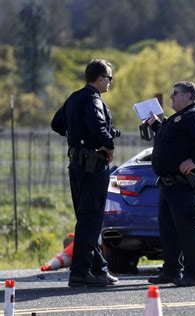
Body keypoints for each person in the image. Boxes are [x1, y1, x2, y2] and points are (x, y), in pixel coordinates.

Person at [51, 59, 120, 287]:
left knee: (86, 220)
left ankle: (98, 268)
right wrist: (107, 145)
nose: (110, 82)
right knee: (91, 220)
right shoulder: (93, 99)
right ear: (99, 79)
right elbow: (98, 127)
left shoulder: (74, 97)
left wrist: (78, 139)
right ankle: (80, 273)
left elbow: (56, 124)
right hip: (93, 167)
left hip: (77, 165)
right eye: (109, 78)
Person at [146, 81, 195, 287]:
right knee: (168, 229)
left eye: (175, 94)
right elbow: (171, 140)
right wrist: (155, 124)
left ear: (188, 96)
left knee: (188, 229)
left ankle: (194, 274)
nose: (171, 97)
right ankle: (171, 271)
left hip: (185, 184)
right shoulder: (177, 119)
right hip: (168, 184)